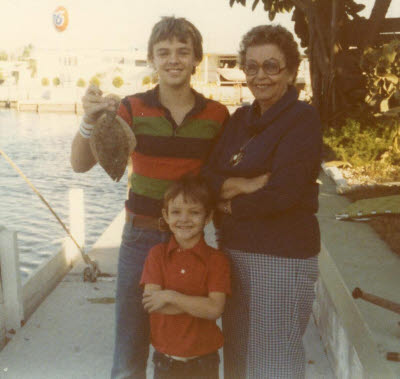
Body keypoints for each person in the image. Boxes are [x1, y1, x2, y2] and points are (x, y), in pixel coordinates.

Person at [70, 16, 229, 379]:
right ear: (152, 60)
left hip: (191, 241)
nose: (173, 59)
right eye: (164, 52)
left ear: (196, 59)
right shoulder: (130, 108)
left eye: (182, 52)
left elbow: (222, 178)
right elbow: (80, 164)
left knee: (187, 338)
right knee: (130, 346)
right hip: (140, 238)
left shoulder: (218, 115)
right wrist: (90, 120)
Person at [202, 24, 322, 379]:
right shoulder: (240, 119)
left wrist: (228, 203)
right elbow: (207, 178)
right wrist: (244, 183)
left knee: (273, 364)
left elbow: (283, 194)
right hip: (234, 254)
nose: (260, 76)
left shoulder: (302, 119)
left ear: (290, 70)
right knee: (237, 360)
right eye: (251, 66)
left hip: (281, 256)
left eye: (271, 66)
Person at [140, 175, 231, 379]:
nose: (184, 219)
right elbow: (153, 303)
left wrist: (171, 296)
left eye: (194, 212)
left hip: (204, 363)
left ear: (208, 217)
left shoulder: (217, 260)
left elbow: (214, 309)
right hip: (165, 363)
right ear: (166, 215)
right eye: (176, 212)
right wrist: (198, 304)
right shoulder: (157, 255)